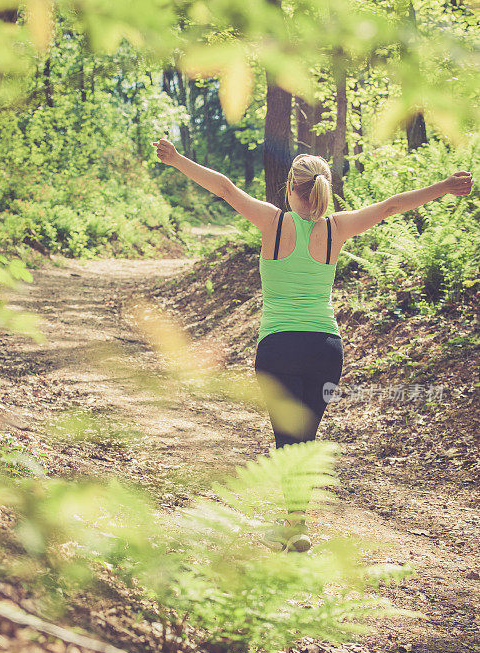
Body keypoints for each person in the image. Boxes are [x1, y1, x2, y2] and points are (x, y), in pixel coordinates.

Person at [153, 137, 473, 551]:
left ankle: (297, 525)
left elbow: (226, 189)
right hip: (326, 348)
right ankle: (294, 523)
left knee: (290, 441)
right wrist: (443, 187)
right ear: (323, 189)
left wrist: (178, 160)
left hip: (279, 347)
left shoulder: (274, 222)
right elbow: (392, 205)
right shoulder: (336, 228)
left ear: (290, 189)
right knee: (303, 437)